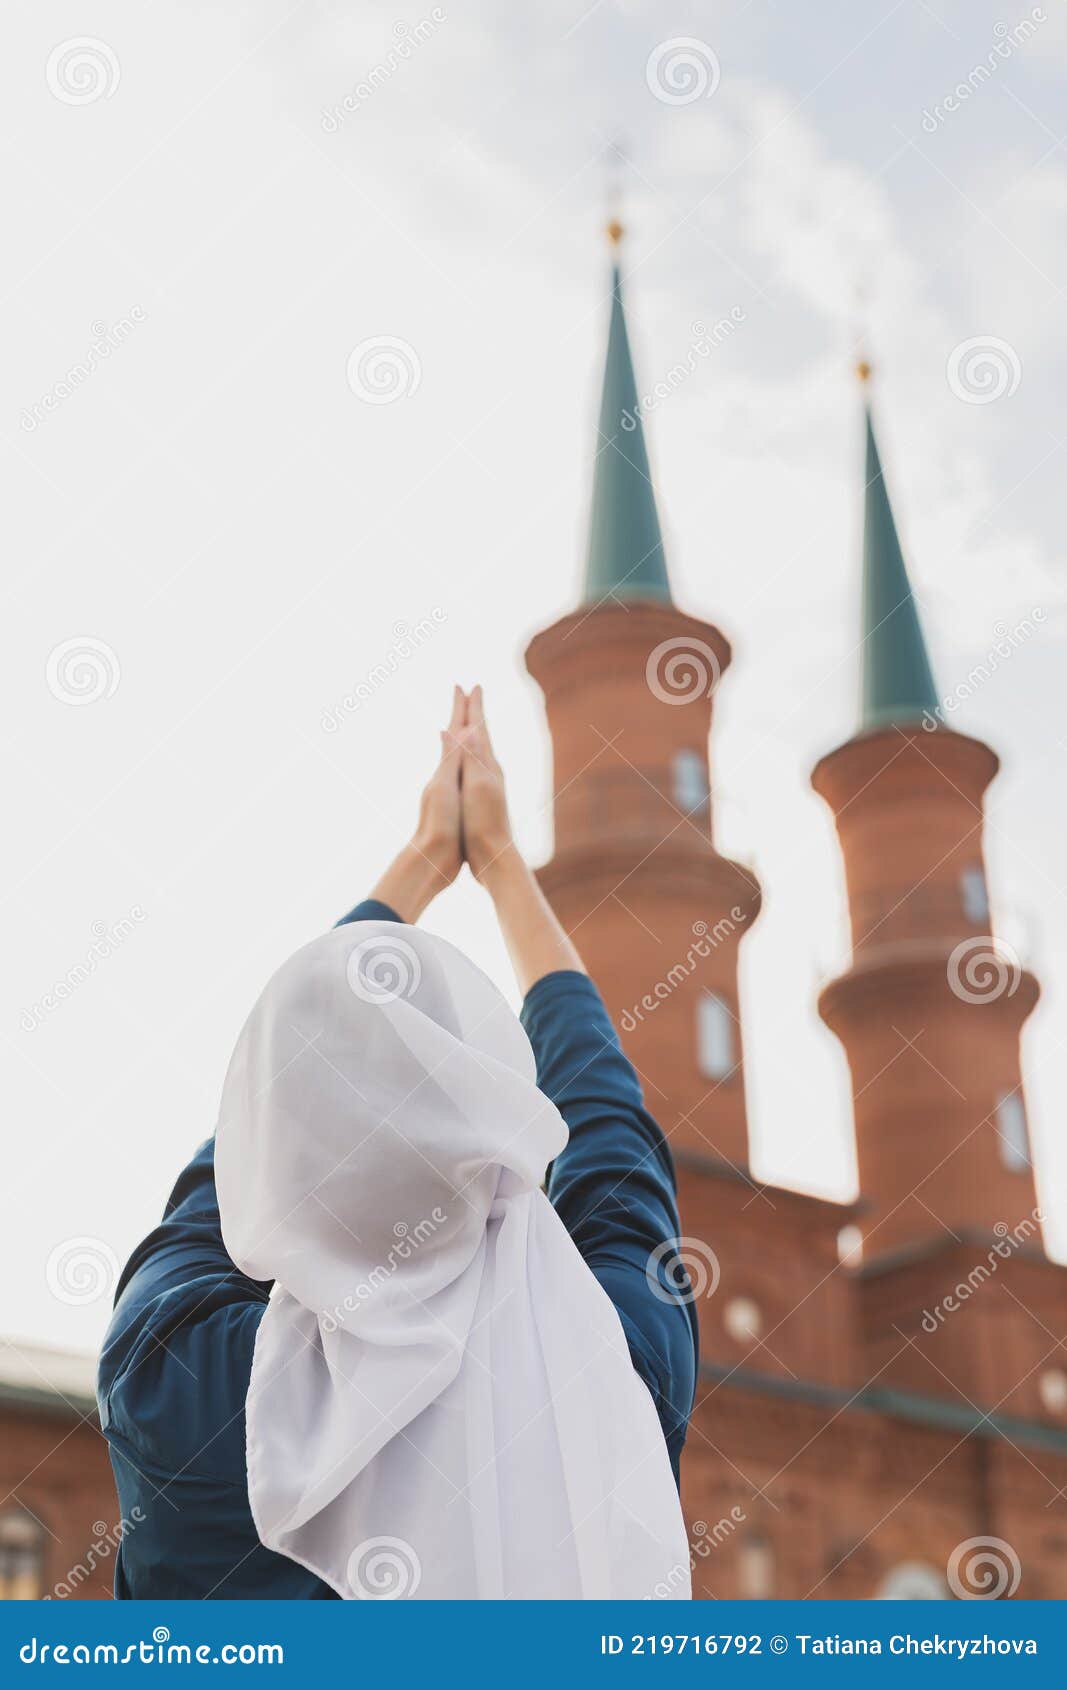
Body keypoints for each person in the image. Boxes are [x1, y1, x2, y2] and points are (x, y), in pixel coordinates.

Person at [97, 688, 698, 1599]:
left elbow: (257, 1118)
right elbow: (611, 1136)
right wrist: (500, 864)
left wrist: (419, 861)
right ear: (488, 1136)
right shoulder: (605, 1364)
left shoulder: (174, 1377)